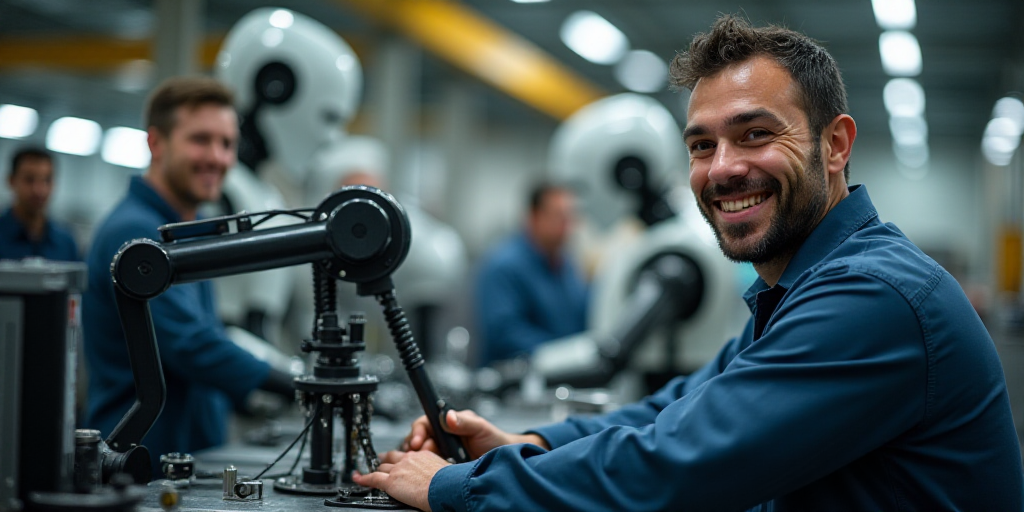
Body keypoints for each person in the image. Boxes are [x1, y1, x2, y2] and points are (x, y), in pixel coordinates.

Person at [352, 15, 1024, 511]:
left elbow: (677, 465)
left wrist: (453, 488)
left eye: (756, 134)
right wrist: (526, 442)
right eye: (702, 146)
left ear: (836, 144)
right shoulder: (804, 287)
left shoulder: (874, 297)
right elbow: (679, 410)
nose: (723, 169)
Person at [82, 77, 293, 478]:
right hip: (141, 461)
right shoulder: (135, 236)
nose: (217, 157)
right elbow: (191, 345)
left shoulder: (181, 232)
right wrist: (293, 382)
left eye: (226, 143)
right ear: (156, 143)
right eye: (200, 139)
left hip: (185, 452)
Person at [474, 182, 589, 366]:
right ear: (534, 216)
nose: (567, 226)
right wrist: (565, 353)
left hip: (563, 376)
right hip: (515, 382)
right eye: (559, 217)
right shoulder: (504, 265)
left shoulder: (565, 263)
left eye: (571, 217)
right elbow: (505, 333)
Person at [0, 147, 79, 261]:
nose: (39, 190)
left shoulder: (66, 243)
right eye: (29, 179)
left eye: (47, 180)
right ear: (11, 181)